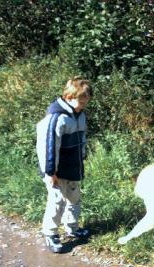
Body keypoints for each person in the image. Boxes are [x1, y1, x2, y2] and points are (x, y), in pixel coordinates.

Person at [36, 77, 93, 253]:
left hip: (73, 167)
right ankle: (50, 233)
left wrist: (82, 157)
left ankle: (72, 228)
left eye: (86, 102)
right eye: (81, 102)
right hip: (56, 170)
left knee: (74, 199)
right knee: (57, 201)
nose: (83, 105)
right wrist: (51, 171)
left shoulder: (80, 115)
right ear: (69, 97)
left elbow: (82, 138)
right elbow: (49, 147)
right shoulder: (56, 117)